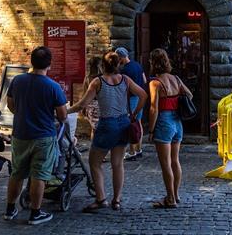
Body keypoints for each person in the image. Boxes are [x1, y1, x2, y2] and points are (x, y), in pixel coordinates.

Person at [67, 50, 147, 213]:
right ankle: (116, 200)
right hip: (123, 122)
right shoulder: (125, 79)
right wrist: (134, 113)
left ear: (103, 65)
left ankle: (101, 198)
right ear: (118, 65)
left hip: (107, 125)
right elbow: (143, 95)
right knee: (117, 164)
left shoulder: (98, 82)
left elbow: (82, 104)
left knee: (94, 162)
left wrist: (64, 112)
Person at [3, 46, 68, 225]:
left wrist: (24, 113)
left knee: (17, 173)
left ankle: (10, 209)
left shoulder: (17, 81)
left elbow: (10, 105)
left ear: (31, 61)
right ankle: (35, 212)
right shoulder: (53, 87)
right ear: (49, 64)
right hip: (43, 135)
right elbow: (63, 116)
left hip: (20, 133)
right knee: (39, 174)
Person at [147, 48, 192, 209]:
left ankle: (170, 198)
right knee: (175, 160)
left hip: (164, 121)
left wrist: (151, 130)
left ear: (153, 63)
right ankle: (176, 194)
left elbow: (154, 108)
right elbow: (189, 95)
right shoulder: (176, 79)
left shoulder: (155, 83)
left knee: (165, 163)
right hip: (177, 121)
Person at [116, 47, 147, 161]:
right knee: (138, 123)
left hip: (131, 99)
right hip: (140, 97)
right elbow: (144, 80)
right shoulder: (138, 65)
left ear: (120, 57)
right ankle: (139, 149)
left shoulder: (125, 70)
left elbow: (123, 87)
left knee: (131, 124)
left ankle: (132, 151)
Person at [81, 56, 102, 140]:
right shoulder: (103, 78)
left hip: (90, 105)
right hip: (101, 105)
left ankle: (94, 146)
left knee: (94, 129)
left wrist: (83, 107)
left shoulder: (87, 78)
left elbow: (84, 93)